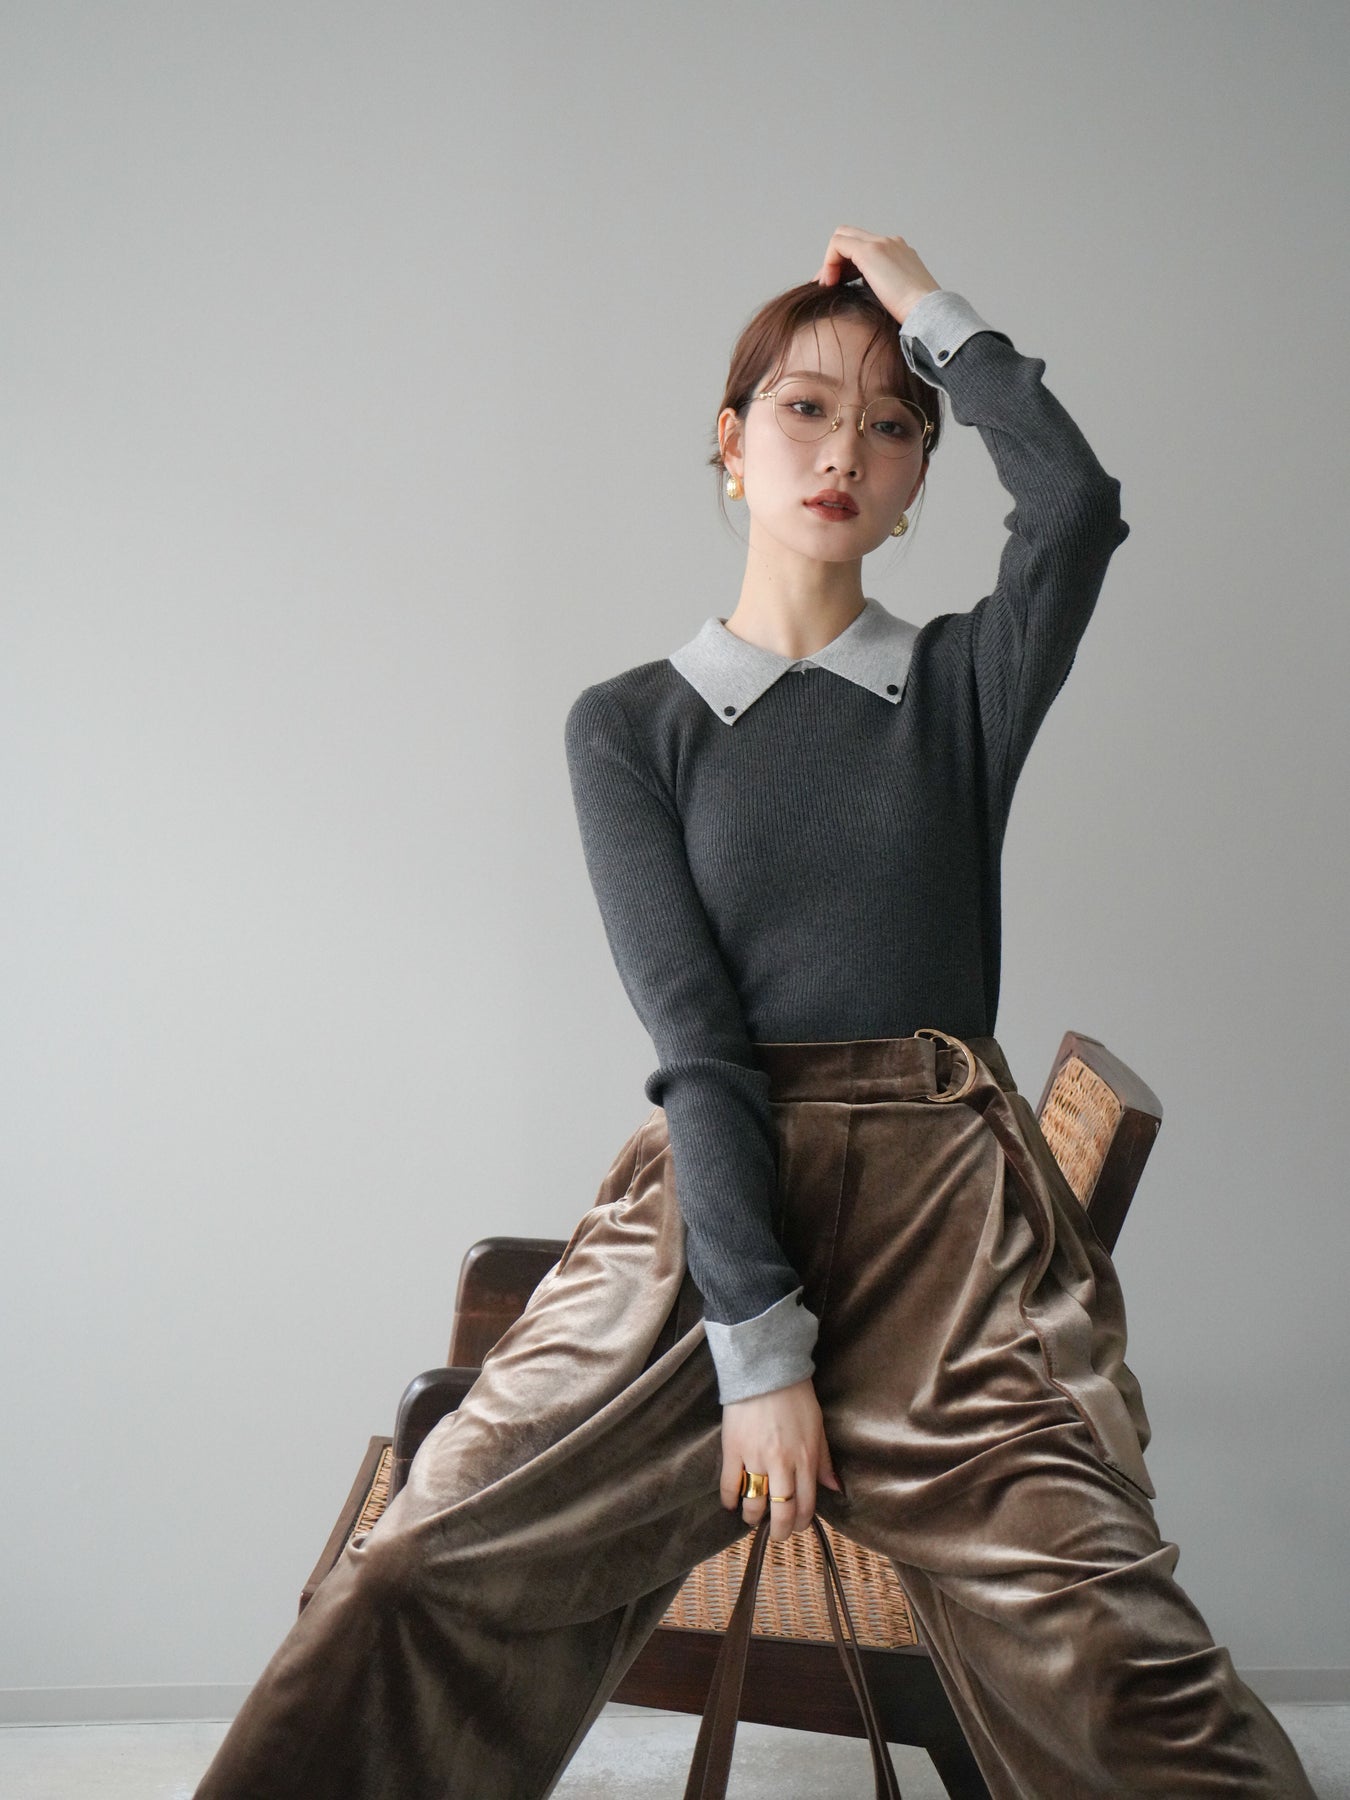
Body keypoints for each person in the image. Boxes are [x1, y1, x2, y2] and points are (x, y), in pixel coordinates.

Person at [192, 227, 1316, 1799]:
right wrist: (761, 1360)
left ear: (916, 481)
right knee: (409, 1574)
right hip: (712, 1230)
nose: (843, 451)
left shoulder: (957, 689)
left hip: (948, 1245)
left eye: (888, 424)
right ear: (729, 443)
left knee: (1123, 1662)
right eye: (803, 409)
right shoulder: (628, 726)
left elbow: (1072, 506)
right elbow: (699, 1052)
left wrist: (924, 303)